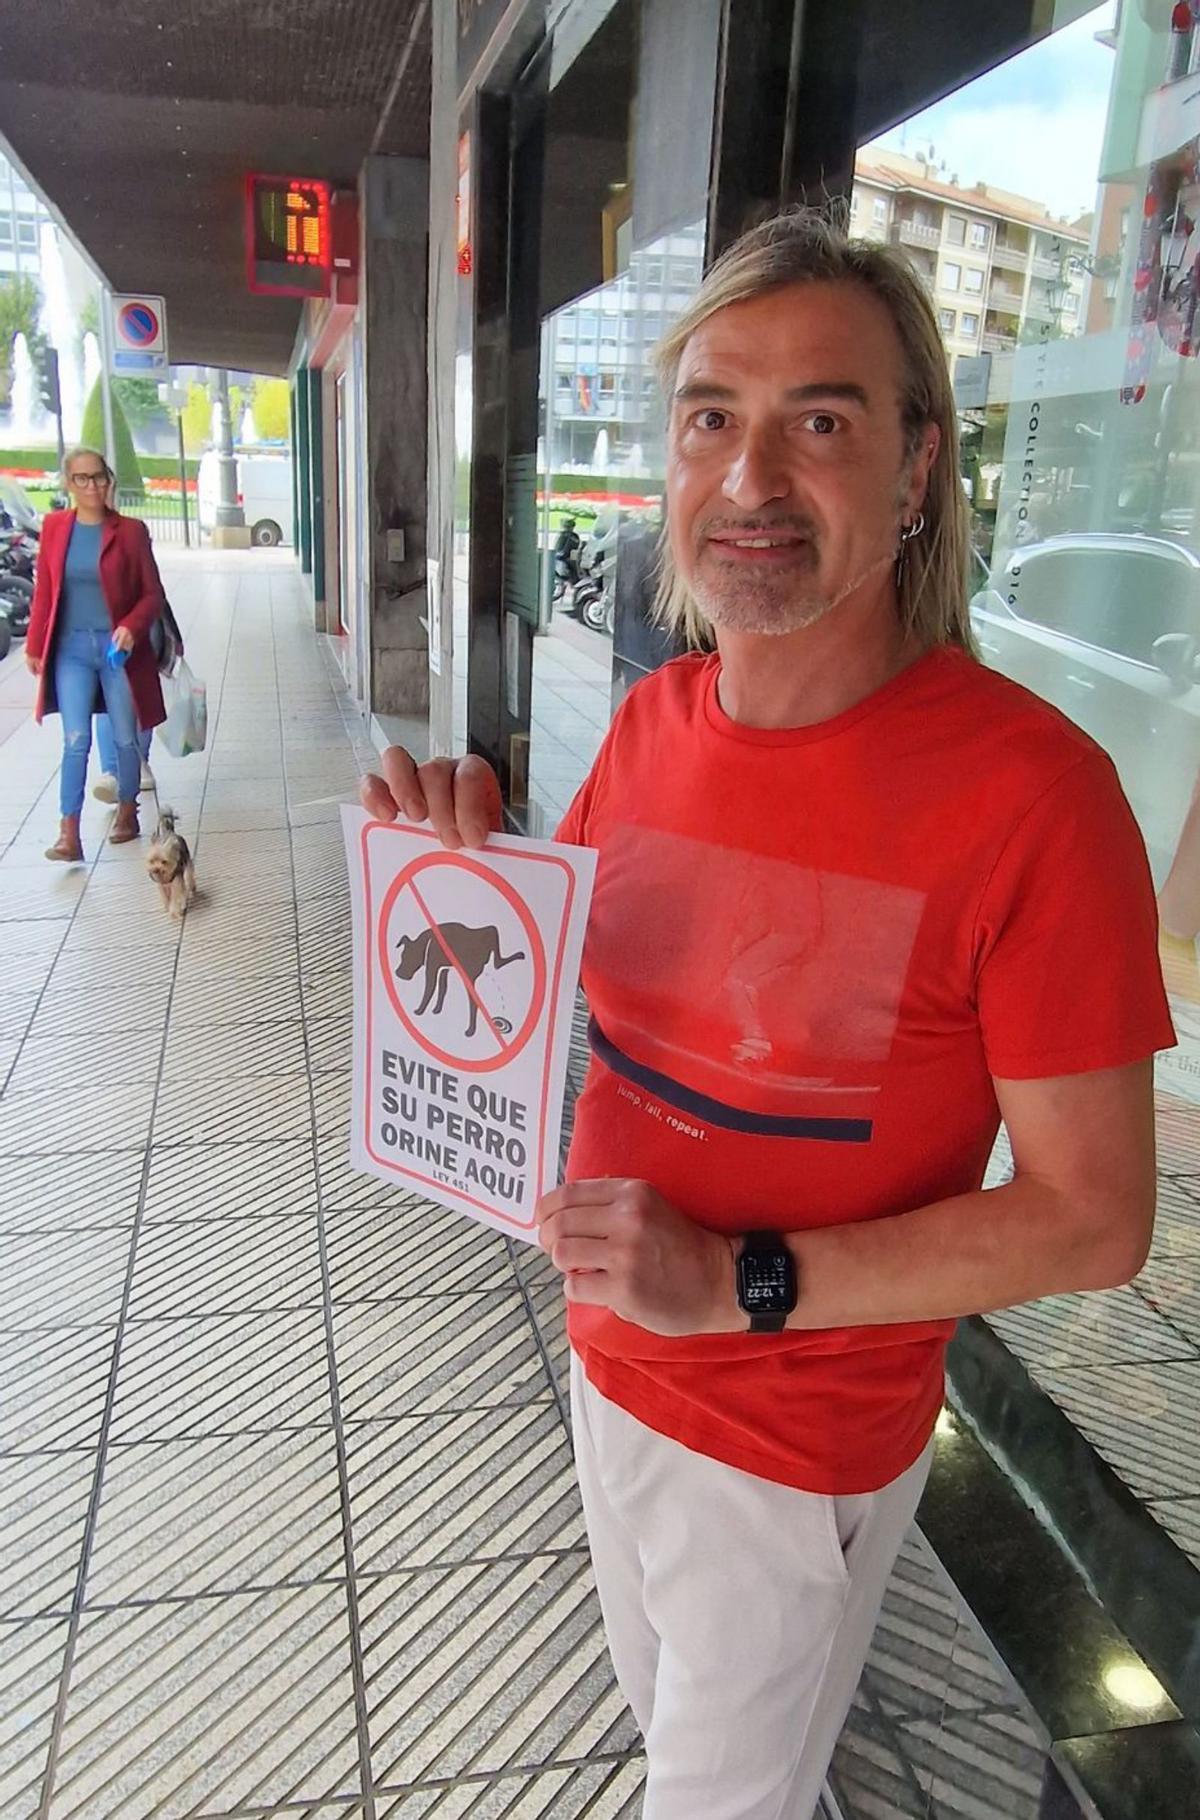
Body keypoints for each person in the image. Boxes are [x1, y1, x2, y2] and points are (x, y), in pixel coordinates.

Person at [361, 210, 1175, 1819]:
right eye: (712, 416)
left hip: (790, 1442)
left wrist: (740, 1283)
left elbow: (1096, 1221)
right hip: (603, 1366)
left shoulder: (1034, 798)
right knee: (687, 1753)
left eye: (822, 420)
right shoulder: (654, 727)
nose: (751, 478)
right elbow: (579, 988)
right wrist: (459, 863)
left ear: (919, 463)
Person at [25, 446, 167, 861]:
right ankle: (69, 833)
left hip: (116, 651)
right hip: (70, 649)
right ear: (69, 483)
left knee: (125, 736)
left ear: (109, 480)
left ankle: (128, 808)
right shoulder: (54, 528)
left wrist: (130, 627)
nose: (93, 486)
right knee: (75, 738)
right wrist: (35, 645)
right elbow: (45, 592)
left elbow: (151, 594)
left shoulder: (130, 531)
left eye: (100, 477)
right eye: (83, 479)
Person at [93, 597, 183, 802]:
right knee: (109, 696)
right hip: (103, 620)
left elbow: (150, 585)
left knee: (139, 691)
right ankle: (112, 770)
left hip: (141, 618)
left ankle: (137, 761)